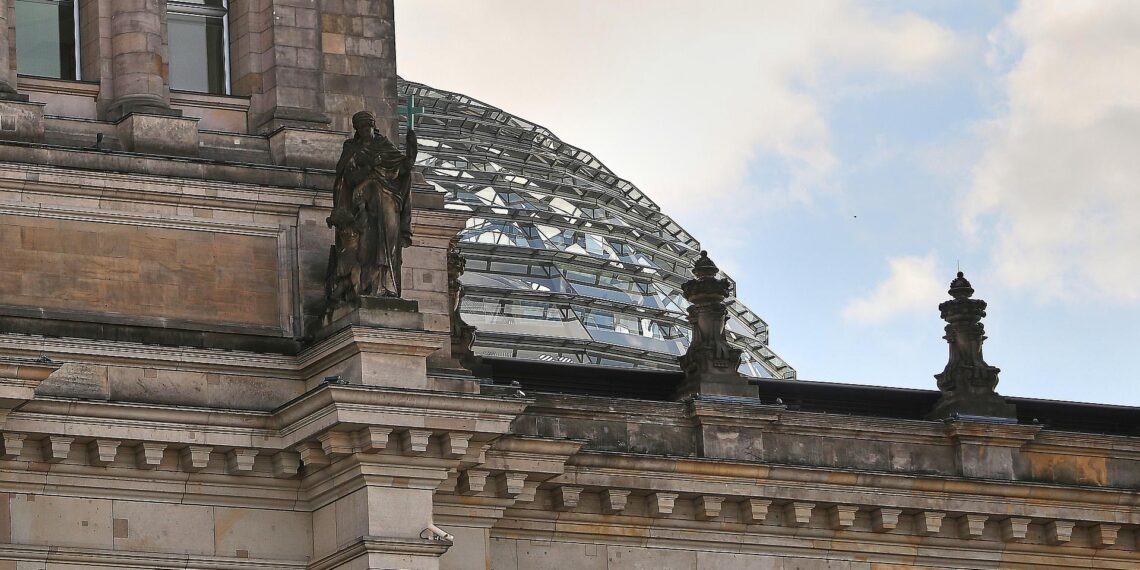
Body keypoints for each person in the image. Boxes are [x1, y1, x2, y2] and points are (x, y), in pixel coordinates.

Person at [327, 111, 417, 304]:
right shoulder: (352, 149)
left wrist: (412, 150)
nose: (366, 131)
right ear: (357, 130)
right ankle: (366, 286)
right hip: (364, 206)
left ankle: (385, 287)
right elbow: (347, 179)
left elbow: (404, 169)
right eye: (362, 128)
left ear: (373, 126)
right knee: (367, 247)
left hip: (388, 202)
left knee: (389, 245)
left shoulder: (384, 146)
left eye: (368, 127)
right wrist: (369, 167)